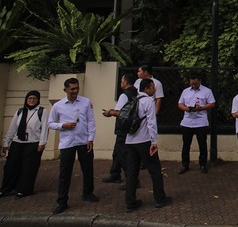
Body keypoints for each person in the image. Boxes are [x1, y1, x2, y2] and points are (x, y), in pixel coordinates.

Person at [48, 77, 98, 214]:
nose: (75, 91)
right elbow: (50, 123)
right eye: (72, 89)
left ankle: (88, 192)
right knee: (65, 173)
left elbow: (91, 121)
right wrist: (63, 125)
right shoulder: (58, 106)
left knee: (87, 168)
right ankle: (62, 201)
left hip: (83, 141)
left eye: (77, 88)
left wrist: (90, 138)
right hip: (67, 142)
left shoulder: (86, 102)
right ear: (65, 90)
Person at [124, 79, 172, 212]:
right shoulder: (148, 101)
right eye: (152, 87)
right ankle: (159, 198)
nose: (154, 90)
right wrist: (154, 142)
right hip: (144, 141)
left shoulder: (132, 100)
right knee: (155, 170)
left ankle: (130, 202)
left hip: (130, 140)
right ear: (146, 89)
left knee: (132, 172)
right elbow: (151, 122)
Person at [1, 90, 49, 198]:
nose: (32, 100)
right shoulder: (20, 111)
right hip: (17, 142)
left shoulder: (42, 111)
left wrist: (42, 143)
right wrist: (6, 143)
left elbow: (45, 128)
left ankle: (23, 190)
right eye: (30, 98)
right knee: (10, 166)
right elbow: (12, 128)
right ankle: (6, 188)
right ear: (26, 100)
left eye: (34, 98)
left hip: (33, 143)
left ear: (38, 100)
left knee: (28, 168)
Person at [101, 73, 138, 185]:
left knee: (122, 154)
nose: (121, 83)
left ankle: (132, 181)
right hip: (132, 127)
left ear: (126, 82)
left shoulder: (124, 95)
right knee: (117, 152)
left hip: (123, 128)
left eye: (122, 81)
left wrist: (109, 112)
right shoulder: (137, 94)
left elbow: (120, 113)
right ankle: (115, 174)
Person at [177, 74, 216, 174]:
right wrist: (186, 109)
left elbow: (212, 103)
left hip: (201, 121)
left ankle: (203, 164)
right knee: (186, 144)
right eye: (191, 83)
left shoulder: (207, 91)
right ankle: (185, 165)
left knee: (202, 144)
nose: (193, 85)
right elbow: (180, 104)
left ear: (200, 81)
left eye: (195, 83)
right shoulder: (185, 91)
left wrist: (202, 107)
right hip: (187, 121)